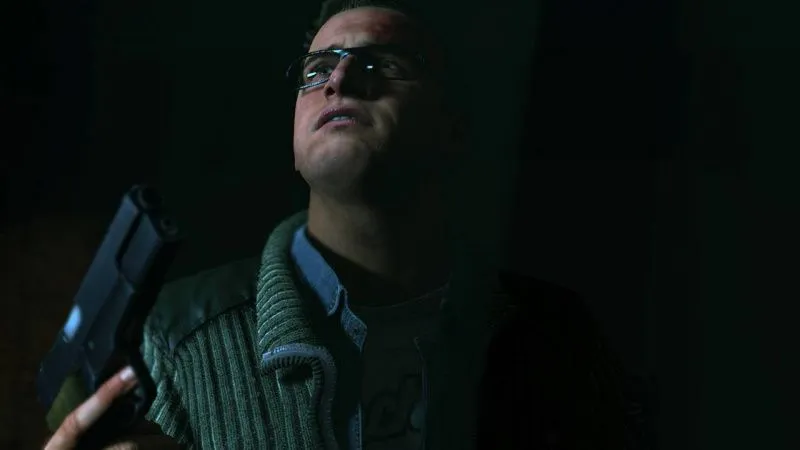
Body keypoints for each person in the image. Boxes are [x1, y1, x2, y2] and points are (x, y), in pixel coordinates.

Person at [45, 0, 643, 448]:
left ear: (454, 126)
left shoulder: (557, 341)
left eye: (384, 63)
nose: (339, 80)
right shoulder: (172, 340)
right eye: (316, 69)